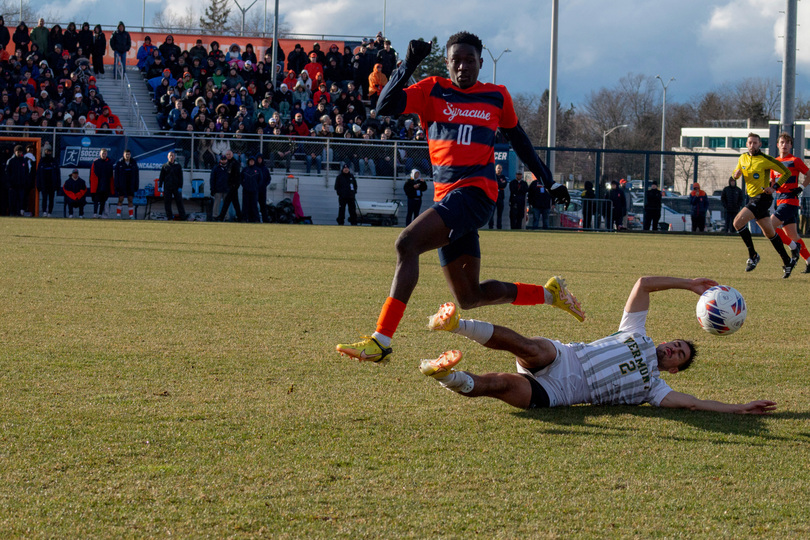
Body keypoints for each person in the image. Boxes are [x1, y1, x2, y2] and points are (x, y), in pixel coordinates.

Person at [336, 32, 573, 364]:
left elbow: (520, 142)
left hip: (476, 194)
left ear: (480, 62)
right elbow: (383, 106)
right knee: (470, 297)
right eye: (455, 60)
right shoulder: (432, 89)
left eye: (469, 60)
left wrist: (548, 181)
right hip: (448, 200)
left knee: (407, 243)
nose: (463, 66)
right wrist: (409, 64)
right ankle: (550, 294)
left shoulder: (496, 96)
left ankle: (380, 341)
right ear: (447, 64)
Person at [420, 276, 776, 415]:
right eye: (675, 344)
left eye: (678, 355)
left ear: (674, 370)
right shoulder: (637, 332)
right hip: (566, 355)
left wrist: (738, 408)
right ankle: (457, 324)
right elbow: (643, 284)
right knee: (530, 347)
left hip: (560, 392)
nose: (671, 349)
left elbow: (696, 404)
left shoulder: (656, 388)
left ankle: (445, 375)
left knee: (498, 384)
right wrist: (689, 285)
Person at [731, 132, 797, 277]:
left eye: (755, 143)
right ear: (747, 144)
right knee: (769, 233)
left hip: (762, 198)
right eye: (750, 142)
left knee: (737, 223)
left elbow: (786, 172)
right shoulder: (742, 157)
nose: (752, 145)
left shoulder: (765, 159)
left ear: (760, 144)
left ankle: (753, 255)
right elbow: (736, 172)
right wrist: (735, 175)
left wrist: (774, 187)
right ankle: (787, 261)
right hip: (752, 198)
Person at [770, 131, 810, 274]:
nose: (784, 145)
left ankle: (794, 247)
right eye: (782, 142)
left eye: (787, 143)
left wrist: (801, 187)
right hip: (779, 201)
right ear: (777, 145)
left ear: (791, 145)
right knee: (793, 235)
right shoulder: (774, 162)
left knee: (770, 226)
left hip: (790, 201)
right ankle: (809, 260)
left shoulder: (795, 160)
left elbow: (808, 174)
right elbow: (772, 183)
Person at [158, 151, 186, 220]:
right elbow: (161, 177)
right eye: (170, 156)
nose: (171, 157)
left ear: (174, 157)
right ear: (167, 157)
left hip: (176, 187)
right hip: (167, 187)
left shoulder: (178, 166)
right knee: (167, 203)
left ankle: (183, 217)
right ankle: (169, 217)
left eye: (172, 156)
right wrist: (160, 186)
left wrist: (180, 186)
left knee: (179, 202)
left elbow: (180, 177)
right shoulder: (165, 166)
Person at [216, 150, 242, 222]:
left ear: (232, 155)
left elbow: (237, 175)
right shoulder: (229, 163)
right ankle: (240, 217)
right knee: (235, 203)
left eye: (229, 154)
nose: (228, 155)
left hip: (233, 186)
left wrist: (235, 185)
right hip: (230, 186)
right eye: (227, 154)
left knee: (227, 202)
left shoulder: (235, 163)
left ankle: (221, 217)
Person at [113, 149, 139, 219]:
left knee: (130, 200)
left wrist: (136, 185)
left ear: (130, 155)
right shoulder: (119, 163)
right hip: (122, 185)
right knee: (120, 199)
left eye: (129, 154)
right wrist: (117, 185)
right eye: (126, 154)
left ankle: (131, 216)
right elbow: (116, 176)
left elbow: (136, 175)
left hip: (131, 185)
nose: (127, 156)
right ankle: (118, 215)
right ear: (123, 155)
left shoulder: (133, 163)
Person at [5, 145, 29, 217]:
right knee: (12, 200)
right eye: (18, 152)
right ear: (15, 152)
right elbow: (7, 173)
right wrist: (9, 183)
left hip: (21, 185)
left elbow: (27, 172)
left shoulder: (24, 161)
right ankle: (12, 213)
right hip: (13, 185)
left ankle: (19, 213)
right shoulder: (11, 161)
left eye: (20, 152)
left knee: (20, 200)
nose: (19, 153)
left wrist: (25, 182)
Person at [89, 148, 114, 218]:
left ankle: (100, 214)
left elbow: (111, 175)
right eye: (102, 153)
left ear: (107, 154)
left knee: (103, 200)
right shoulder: (96, 163)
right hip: (98, 185)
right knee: (96, 200)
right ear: (100, 154)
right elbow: (92, 175)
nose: (104, 155)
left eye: (105, 153)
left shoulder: (109, 163)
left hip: (106, 185)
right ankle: (95, 214)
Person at [35, 147, 59, 217]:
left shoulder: (54, 161)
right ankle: (44, 211)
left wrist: (57, 184)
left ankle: (50, 212)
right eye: (47, 151)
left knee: (51, 199)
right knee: (44, 198)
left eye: (49, 151)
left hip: (52, 184)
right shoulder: (42, 161)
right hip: (44, 184)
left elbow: (57, 173)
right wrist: (38, 184)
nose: (48, 153)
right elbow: (38, 174)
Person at [488, 164, 508, 229]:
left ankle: (499, 227)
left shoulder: (503, 177)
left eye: (500, 168)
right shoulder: (493, 176)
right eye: (498, 168)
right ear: (495, 169)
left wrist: (498, 184)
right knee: (491, 214)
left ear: (502, 169)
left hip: (500, 198)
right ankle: (491, 227)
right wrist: (499, 184)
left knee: (500, 214)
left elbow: (504, 185)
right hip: (493, 198)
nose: (499, 169)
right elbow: (493, 184)